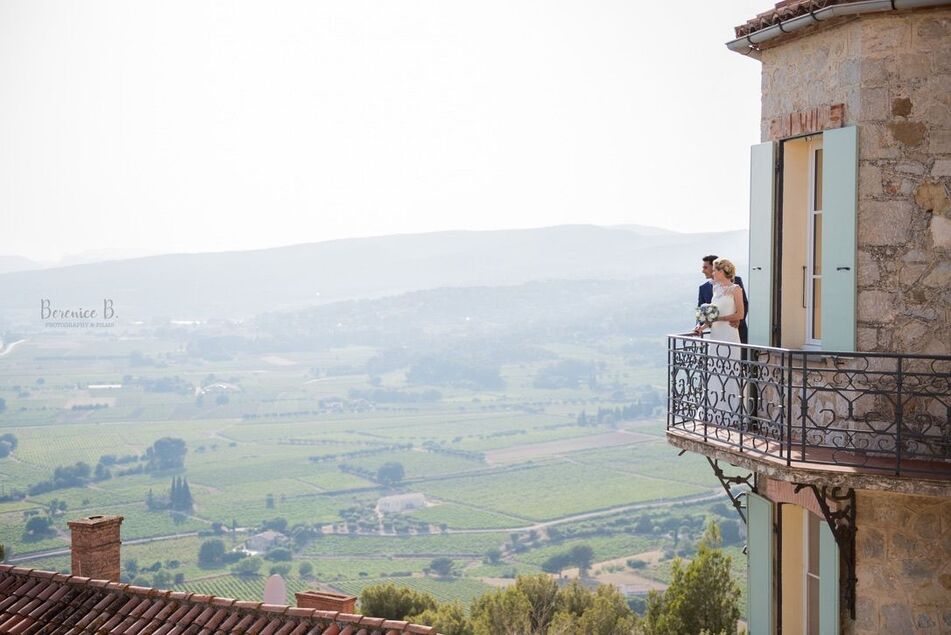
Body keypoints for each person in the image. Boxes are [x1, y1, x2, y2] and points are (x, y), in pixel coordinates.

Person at [696, 254, 749, 344]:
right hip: (715, 333)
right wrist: (700, 326)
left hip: (732, 331)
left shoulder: (736, 286)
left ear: (720, 271)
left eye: (706, 268)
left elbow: (743, 306)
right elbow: (703, 311)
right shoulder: (709, 288)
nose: (702, 271)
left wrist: (737, 320)